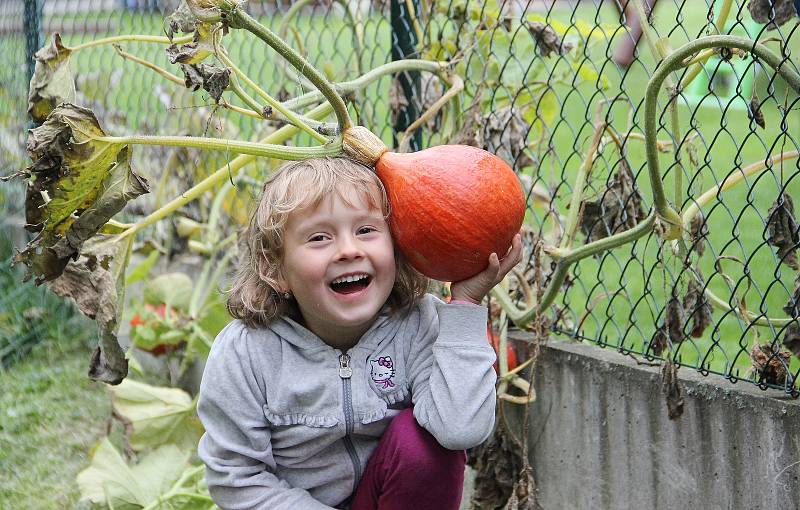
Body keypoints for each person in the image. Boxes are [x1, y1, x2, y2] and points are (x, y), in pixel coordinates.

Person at [196, 156, 523, 510]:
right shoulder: (245, 354)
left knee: (422, 446)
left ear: (398, 250)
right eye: (319, 237)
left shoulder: (419, 325)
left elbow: (462, 430)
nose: (349, 250)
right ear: (275, 269)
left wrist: (466, 305)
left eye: (366, 230)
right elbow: (237, 477)